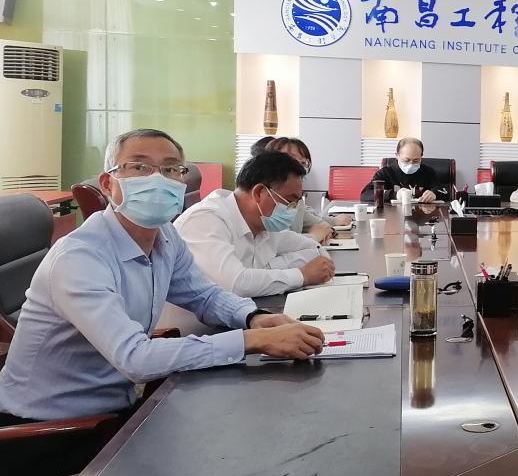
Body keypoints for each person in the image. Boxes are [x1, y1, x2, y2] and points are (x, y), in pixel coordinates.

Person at [0, 129, 326, 427]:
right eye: (139, 167)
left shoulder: (165, 236)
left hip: (116, 407)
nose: (157, 178)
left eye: (170, 169)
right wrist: (251, 340)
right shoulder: (80, 257)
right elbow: (136, 358)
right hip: (48, 425)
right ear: (108, 184)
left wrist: (254, 317)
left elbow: (204, 295)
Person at [175, 151, 336, 296]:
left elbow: (318, 252)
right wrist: (302, 275)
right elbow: (235, 285)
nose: (292, 209)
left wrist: (264, 271)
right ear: (259, 193)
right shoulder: (206, 219)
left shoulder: (264, 224)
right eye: (289, 201)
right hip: (196, 321)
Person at [251, 136, 333, 244]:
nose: (298, 167)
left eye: (303, 163)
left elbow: (321, 226)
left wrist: (319, 233)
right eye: (291, 160)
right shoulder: (263, 198)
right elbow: (273, 245)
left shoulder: (296, 201)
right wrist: (312, 237)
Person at [360, 137, 449, 203]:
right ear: (397, 155)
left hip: (421, 216)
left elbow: (445, 191)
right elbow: (365, 194)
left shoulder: (428, 172)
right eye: (406, 160)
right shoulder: (385, 173)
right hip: (393, 216)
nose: (411, 164)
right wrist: (393, 194)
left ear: (421, 157)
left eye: (416, 160)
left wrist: (435, 193)